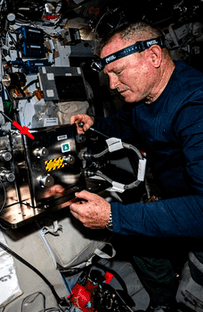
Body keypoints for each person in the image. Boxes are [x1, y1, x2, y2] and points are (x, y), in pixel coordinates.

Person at [67, 21, 203, 311]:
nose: (113, 85)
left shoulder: (194, 105)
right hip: (174, 197)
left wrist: (114, 216)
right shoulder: (143, 96)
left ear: (153, 56)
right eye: (108, 76)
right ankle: (162, 302)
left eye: (118, 72)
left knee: (193, 294)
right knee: (139, 242)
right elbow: (124, 124)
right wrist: (95, 126)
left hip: (197, 211)